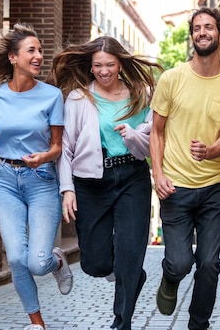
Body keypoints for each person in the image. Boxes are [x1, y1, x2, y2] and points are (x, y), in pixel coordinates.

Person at [47, 36, 162, 330]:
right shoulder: (77, 98)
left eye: (109, 64)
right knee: (95, 263)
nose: (104, 71)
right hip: (91, 183)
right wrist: (67, 189)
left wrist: (132, 135)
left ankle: (122, 321)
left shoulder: (141, 95)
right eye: (98, 65)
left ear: (120, 63)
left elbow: (151, 144)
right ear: (91, 66)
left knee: (129, 256)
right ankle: (130, 272)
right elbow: (65, 149)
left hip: (132, 177)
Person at [0, 23, 73, 330]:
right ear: (13, 58)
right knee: (15, 259)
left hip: (41, 181)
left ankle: (56, 260)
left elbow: (57, 146)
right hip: (5, 181)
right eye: (32, 51)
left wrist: (43, 157)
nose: (39, 56)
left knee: (37, 263)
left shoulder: (52, 96)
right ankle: (37, 324)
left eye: (40, 50)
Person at [150, 7, 220, 330]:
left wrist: (210, 151)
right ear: (192, 36)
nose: (201, 32)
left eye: (209, 27)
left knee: (209, 263)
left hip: (214, 188)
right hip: (175, 187)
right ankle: (170, 278)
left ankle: (198, 325)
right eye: (196, 28)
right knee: (180, 262)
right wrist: (158, 175)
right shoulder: (172, 79)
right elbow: (157, 131)